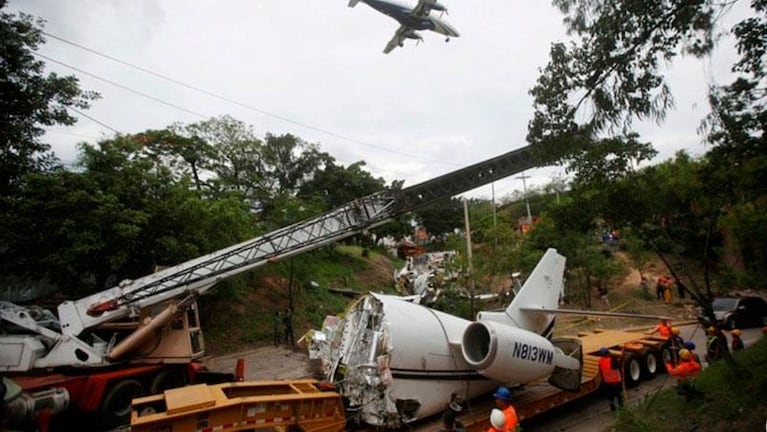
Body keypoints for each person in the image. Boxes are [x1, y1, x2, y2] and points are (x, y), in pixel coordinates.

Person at [597, 347, 623, 411]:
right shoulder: (612, 360)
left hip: (607, 382)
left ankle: (612, 408)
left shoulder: (600, 361)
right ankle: (622, 408)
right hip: (615, 382)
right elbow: (619, 366)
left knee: (610, 397)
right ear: (607, 354)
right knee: (619, 395)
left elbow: (600, 372)